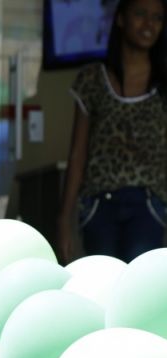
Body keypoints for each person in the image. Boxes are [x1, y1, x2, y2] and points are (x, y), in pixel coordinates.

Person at [58, 0, 167, 264]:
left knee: (138, 288)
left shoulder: (164, 81)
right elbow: (77, 154)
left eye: (157, 18)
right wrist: (64, 217)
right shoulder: (92, 79)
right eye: (140, 14)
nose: (148, 24)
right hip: (98, 205)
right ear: (120, 19)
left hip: (149, 204)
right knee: (103, 285)